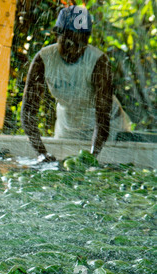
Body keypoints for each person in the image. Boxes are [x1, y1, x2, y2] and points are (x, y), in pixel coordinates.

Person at [21, 5, 131, 162]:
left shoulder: (99, 62)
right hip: (68, 125)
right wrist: (41, 153)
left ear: (87, 41)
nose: (73, 51)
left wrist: (92, 157)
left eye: (79, 45)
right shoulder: (43, 60)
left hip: (108, 127)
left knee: (104, 172)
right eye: (67, 43)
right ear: (57, 36)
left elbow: (102, 120)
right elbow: (28, 113)